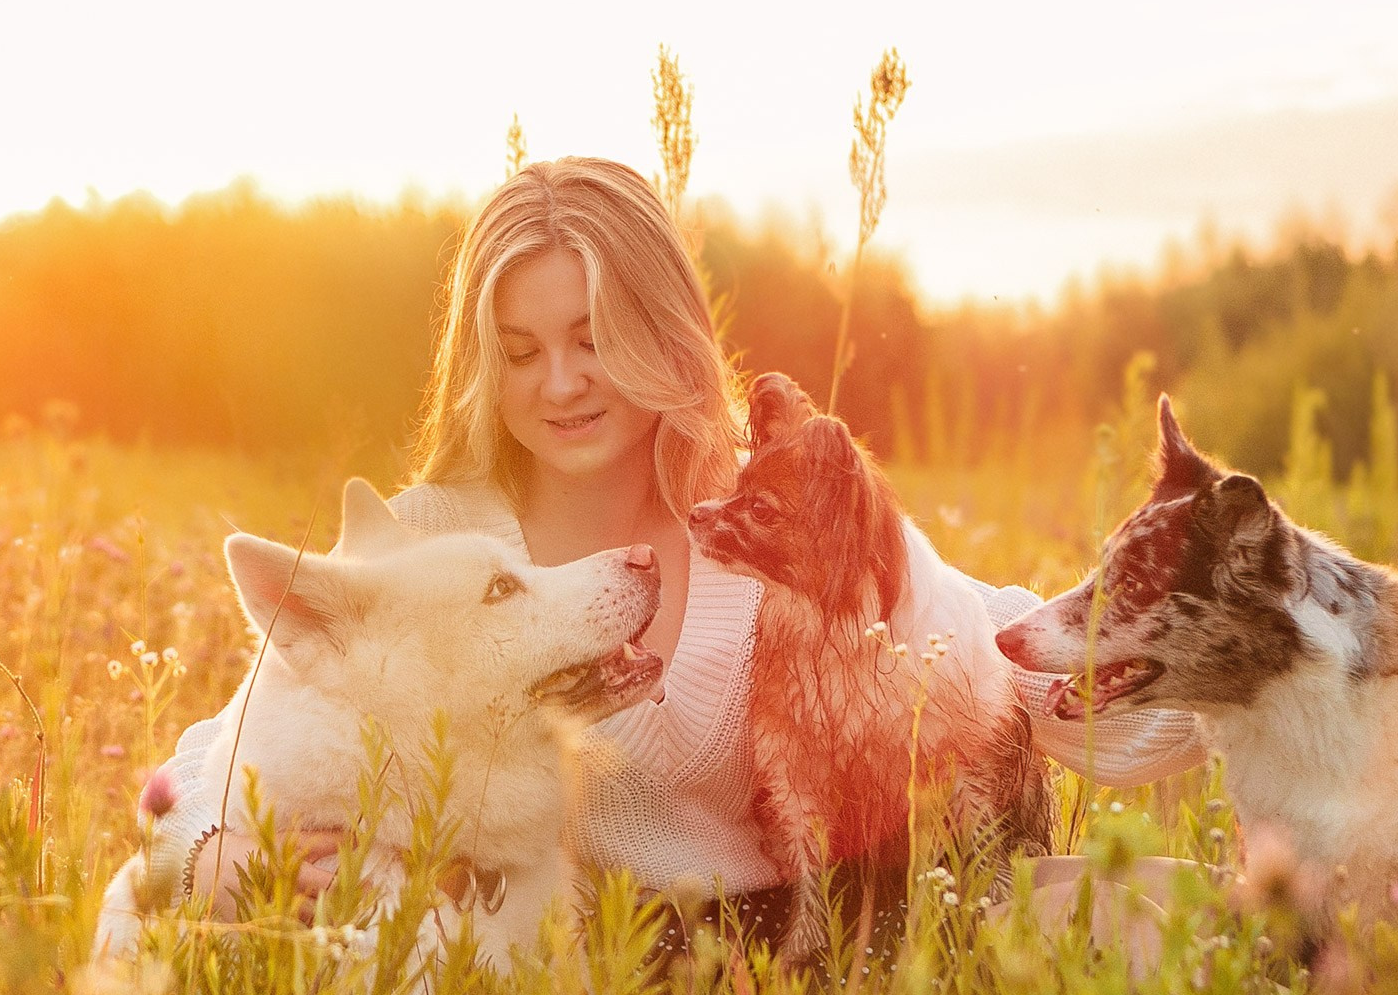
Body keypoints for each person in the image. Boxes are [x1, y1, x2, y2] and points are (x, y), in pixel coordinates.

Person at [131, 156, 1209, 942]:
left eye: (593, 338)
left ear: (662, 331)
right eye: (521, 351)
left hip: (821, 961)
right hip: (572, 987)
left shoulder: (759, 519)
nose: (560, 383)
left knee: (1186, 912)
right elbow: (221, 754)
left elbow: (988, 636)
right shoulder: (435, 545)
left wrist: (1186, 682)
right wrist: (217, 858)